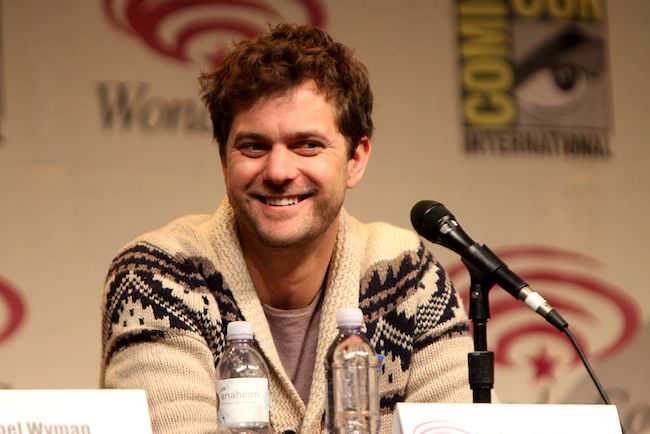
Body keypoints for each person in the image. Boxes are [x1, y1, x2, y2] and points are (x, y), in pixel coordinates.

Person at [100, 23, 472, 434]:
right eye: (254, 147)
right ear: (224, 161)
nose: (278, 171)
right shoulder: (158, 274)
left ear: (356, 159)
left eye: (307, 145)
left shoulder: (408, 275)